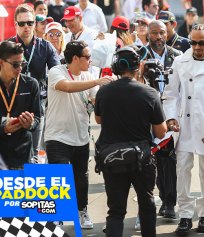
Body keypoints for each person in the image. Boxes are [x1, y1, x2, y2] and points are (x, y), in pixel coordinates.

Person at [163, 24, 204, 234]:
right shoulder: (180, 61)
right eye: (193, 42)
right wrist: (171, 117)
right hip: (185, 125)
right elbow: (171, 93)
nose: (197, 47)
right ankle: (184, 214)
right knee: (182, 170)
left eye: (201, 42)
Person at [95, 45, 166, 237]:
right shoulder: (149, 93)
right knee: (147, 204)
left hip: (111, 157)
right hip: (141, 158)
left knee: (116, 210)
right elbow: (160, 132)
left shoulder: (104, 91)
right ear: (139, 66)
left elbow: (98, 120)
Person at [44, 41, 112, 229]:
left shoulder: (88, 75)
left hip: (80, 135)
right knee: (58, 176)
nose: (90, 61)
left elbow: (95, 101)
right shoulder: (57, 71)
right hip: (56, 135)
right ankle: (56, 214)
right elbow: (66, 87)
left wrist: (108, 90)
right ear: (75, 58)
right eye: (87, 57)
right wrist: (97, 81)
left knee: (81, 179)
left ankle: (82, 211)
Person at [9, 3, 61, 163]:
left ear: (35, 24)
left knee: (33, 155)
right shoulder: (7, 47)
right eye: (22, 23)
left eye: (30, 23)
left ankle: (30, 186)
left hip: (36, 107)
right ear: (15, 24)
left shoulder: (45, 47)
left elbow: (58, 73)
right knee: (9, 153)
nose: (26, 27)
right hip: (11, 106)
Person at [144, 20, 182, 219]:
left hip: (169, 113)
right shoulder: (140, 55)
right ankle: (157, 197)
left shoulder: (178, 57)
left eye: (162, 33)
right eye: (154, 33)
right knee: (152, 159)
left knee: (168, 158)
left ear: (167, 34)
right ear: (148, 35)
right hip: (145, 113)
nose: (158, 37)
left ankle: (169, 202)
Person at [0, 41, 41, 170]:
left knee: (20, 190)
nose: (20, 68)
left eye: (22, 63)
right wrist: (3, 127)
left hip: (22, 152)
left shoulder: (31, 84)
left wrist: (30, 123)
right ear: (1, 63)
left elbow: (37, 118)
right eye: (15, 64)